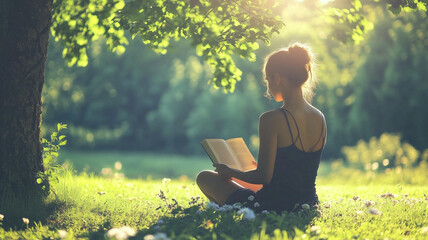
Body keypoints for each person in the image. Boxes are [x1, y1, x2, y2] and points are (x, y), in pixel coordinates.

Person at [196, 43, 327, 213]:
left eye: (267, 80)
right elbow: (295, 169)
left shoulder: (271, 119)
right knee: (239, 181)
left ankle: (234, 211)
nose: (268, 87)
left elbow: (263, 177)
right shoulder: (320, 117)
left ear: (277, 78)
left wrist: (230, 172)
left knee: (204, 177)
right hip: (308, 204)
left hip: (272, 205)